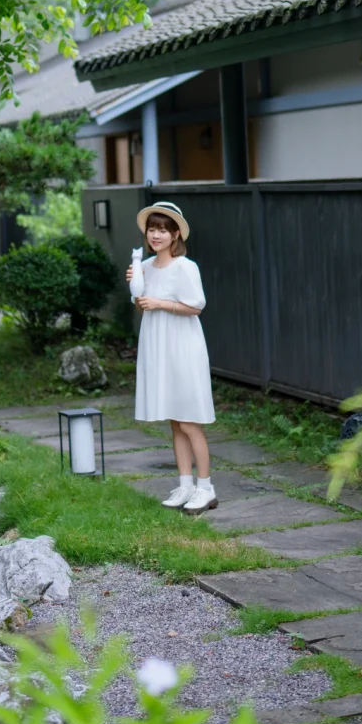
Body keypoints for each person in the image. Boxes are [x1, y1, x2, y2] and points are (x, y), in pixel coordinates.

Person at [126, 199, 217, 515]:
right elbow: (143, 306)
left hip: (183, 348)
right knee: (175, 421)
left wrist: (159, 303)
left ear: (176, 234)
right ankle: (185, 485)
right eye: (152, 229)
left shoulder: (185, 267)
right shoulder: (145, 266)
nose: (156, 235)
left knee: (189, 420)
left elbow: (196, 306)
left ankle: (206, 487)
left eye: (163, 230)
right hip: (158, 347)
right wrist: (136, 288)